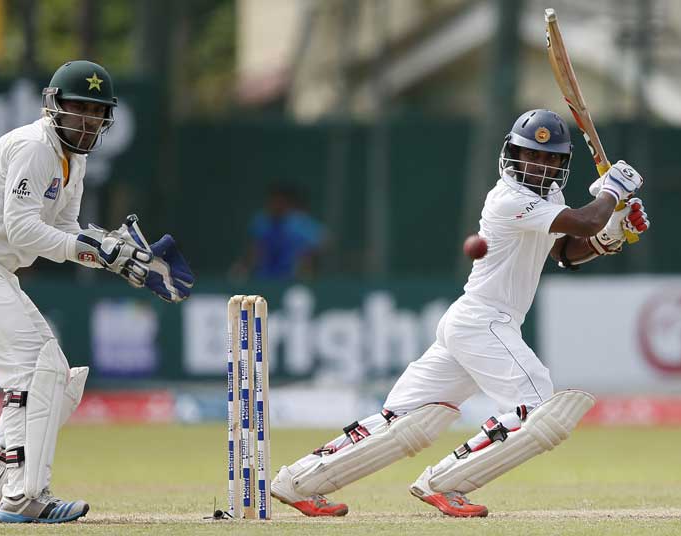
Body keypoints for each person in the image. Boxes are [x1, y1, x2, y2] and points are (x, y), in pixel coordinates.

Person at [268, 109, 650, 517]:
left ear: (561, 163)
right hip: (484, 321)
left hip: (474, 323)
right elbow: (585, 221)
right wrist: (611, 195)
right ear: (513, 155)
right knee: (538, 406)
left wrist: (614, 231)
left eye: (550, 158)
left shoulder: (549, 199)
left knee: (407, 421)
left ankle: (299, 481)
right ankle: (445, 483)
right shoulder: (509, 199)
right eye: (531, 155)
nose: (539, 165)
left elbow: (566, 251)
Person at [0, 60, 194, 524]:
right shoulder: (33, 147)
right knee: (36, 373)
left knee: (60, 381)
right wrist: (95, 248)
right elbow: (23, 229)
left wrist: (110, 251)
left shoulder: (76, 159)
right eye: (78, 108)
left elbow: (66, 230)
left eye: (96, 111)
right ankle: (25, 496)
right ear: (54, 106)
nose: (86, 120)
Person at [231, 184, 326, 280]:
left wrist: (306, 258)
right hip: (263, 277)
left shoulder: (299, 222)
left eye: (280, 201)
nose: (276, 205)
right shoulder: (261, 221)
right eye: (273, 201)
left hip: (292, 277)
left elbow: (324, 241)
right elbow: (254, 250)